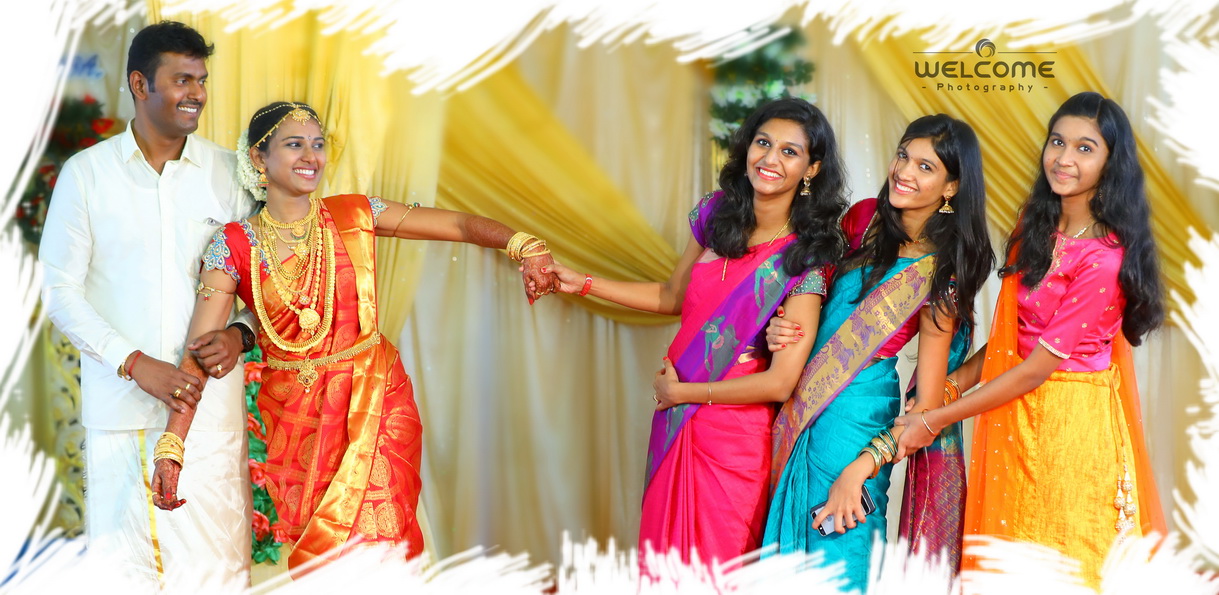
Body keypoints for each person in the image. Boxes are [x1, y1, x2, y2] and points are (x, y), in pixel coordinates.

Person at [148, 101, 558, 573]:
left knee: (382, 542)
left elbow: (458, 225)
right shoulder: (233, 244)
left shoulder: (355, 215)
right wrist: (172, 447)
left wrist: (522, 244)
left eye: (318, 145)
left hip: (375, 396)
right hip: (296, 420)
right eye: (295, 144)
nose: (311, 157)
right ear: (259, 157)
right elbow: (198, 355)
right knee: (326, 561)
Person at [546, 97, 849, 572]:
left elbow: (779, 383)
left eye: (790, 152)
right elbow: (673, 296)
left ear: (811, 169)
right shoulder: (716, 215)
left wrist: (683, 393)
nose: (770, 159)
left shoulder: (804, 258)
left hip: (733, 439)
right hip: (676, 423)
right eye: (763, 143)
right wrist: (582, 282)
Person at [892, 92, 1166, 586]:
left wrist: (933, 419)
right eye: (1057, 142)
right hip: (1015, 415)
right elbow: (1010, 341)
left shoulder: (1104, 258)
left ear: (1111, 163)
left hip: (1071, 427)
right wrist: (949, 386)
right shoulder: (1036, 225)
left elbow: (1036, 367)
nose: (1064, 158)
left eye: (1085, 148)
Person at [40, 21, 257, 587]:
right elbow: (59, 291)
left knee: (215, 574)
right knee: (125, 577)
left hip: (208, 420)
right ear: (140, 84)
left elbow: (272, 283)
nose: (197, 94)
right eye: (182, 79)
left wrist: (240, 336)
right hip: (120, 418)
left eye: (201, 80)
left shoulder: (230, 177)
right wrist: (134, 363)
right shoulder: (86, 175)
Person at [761, 114, 994, 590]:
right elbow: (810, 298)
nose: (904, 171)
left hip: (856, 426)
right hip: (799, 404)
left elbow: (926, 411)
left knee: (838, 565)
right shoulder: (863, 218)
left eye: (926, 167)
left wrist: (859, 471)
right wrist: (778, 326)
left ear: (951, 187)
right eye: (904, 155)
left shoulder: (941, 274)